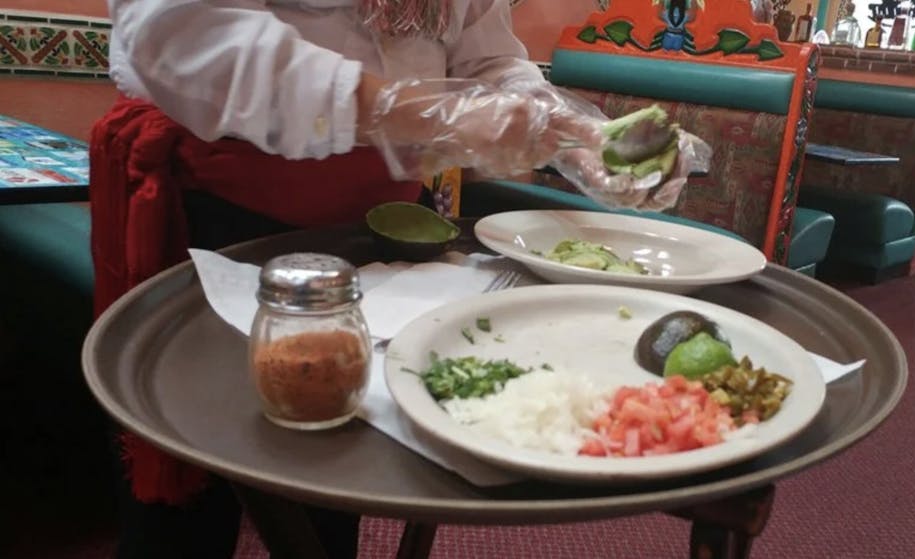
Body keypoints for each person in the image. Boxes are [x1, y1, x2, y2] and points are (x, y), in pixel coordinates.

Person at [95, 1, 687, 557]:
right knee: (190, 483)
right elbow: (178, 30)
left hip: (383, 216)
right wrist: (394, 106)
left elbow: (484, 57)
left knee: (341, 451)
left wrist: (556, 127)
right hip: (217, 204)